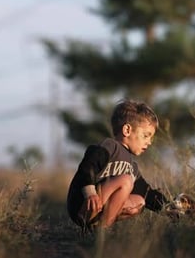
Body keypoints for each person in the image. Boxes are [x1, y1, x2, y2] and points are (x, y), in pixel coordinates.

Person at [66, 99, 169, 231]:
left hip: (99, 210)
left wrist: (169, 208)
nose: (149, 142)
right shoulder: (109, 147)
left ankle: (98, 227)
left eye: (150, 138)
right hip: (83, 203)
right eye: (145, 135)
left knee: (140, 202)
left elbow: (147, 193)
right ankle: (102, 231)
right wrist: (90, 193)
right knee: (126, 180)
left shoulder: (132, 166)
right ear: (127, 130)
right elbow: (87, 168)